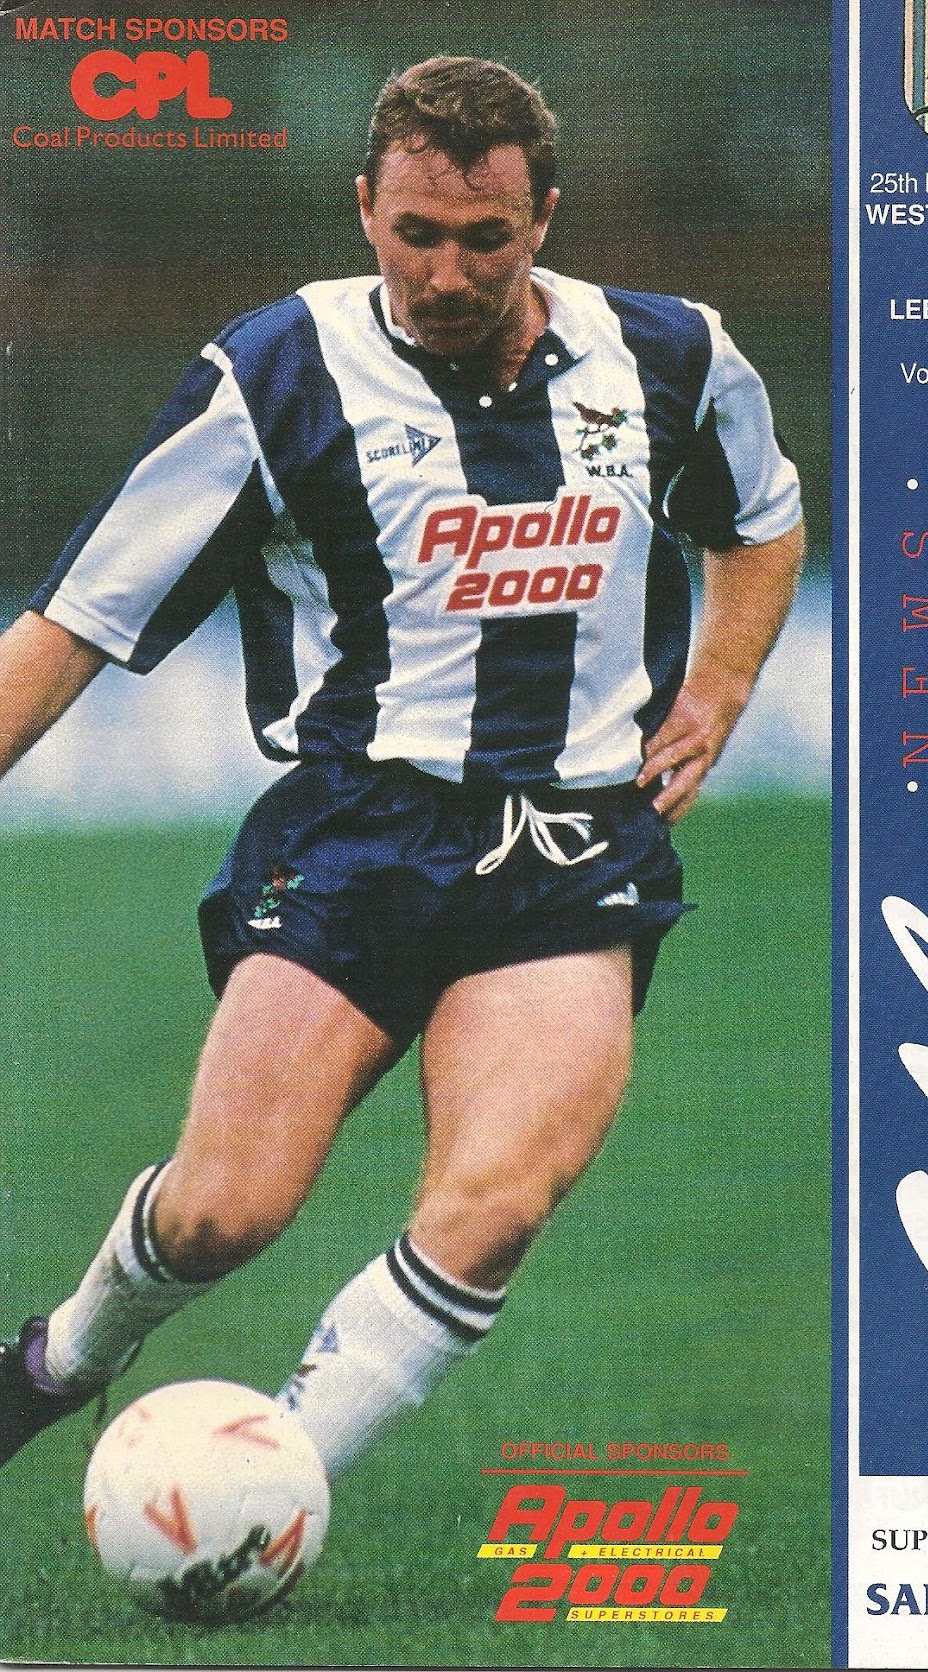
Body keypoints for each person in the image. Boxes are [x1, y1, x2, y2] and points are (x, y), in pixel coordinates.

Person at [0, 56, 804, 1480]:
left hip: (572, 847)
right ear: (364, 205)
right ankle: (58, 1361)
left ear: (543, 217)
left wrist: (724, 680)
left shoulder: (671, 354)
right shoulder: (275, 374)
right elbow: (76, 624)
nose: (445, 273)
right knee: (223, 1212)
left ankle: (265, 1489)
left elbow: (759, 517)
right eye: (415, 233)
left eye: (486, 238)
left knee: (492, 1206)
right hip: (357, 834)